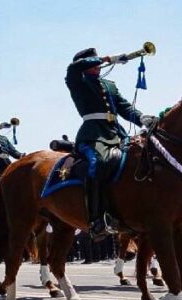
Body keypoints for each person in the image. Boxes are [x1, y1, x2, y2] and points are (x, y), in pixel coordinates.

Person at [66, 48, 156, 238]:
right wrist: (108, 58)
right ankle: (95, 220)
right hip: (93, 134)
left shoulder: (109, 85)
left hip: (116, 132)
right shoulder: (77, 81)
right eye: (94, 62)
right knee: (98, 163)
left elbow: (124, 107)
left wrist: (142, 118)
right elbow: (74, 67)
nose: (98, 66)